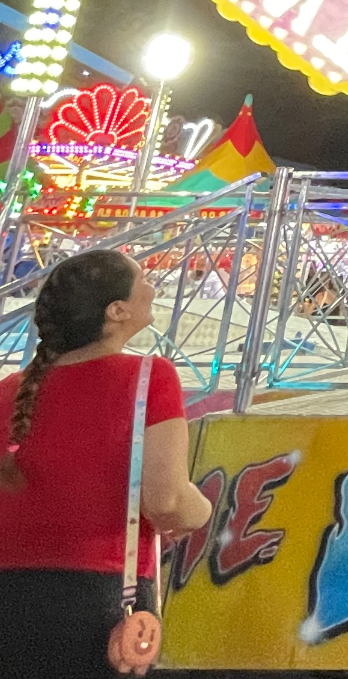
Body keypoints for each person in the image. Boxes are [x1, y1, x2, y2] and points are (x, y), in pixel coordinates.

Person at [0, 250, 213, 677]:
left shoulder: (9, 390)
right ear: (116, 311)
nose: (153, 287)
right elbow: (167, 500)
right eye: (144, 280)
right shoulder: (150, 377)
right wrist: (203, 509)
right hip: (99, 601)